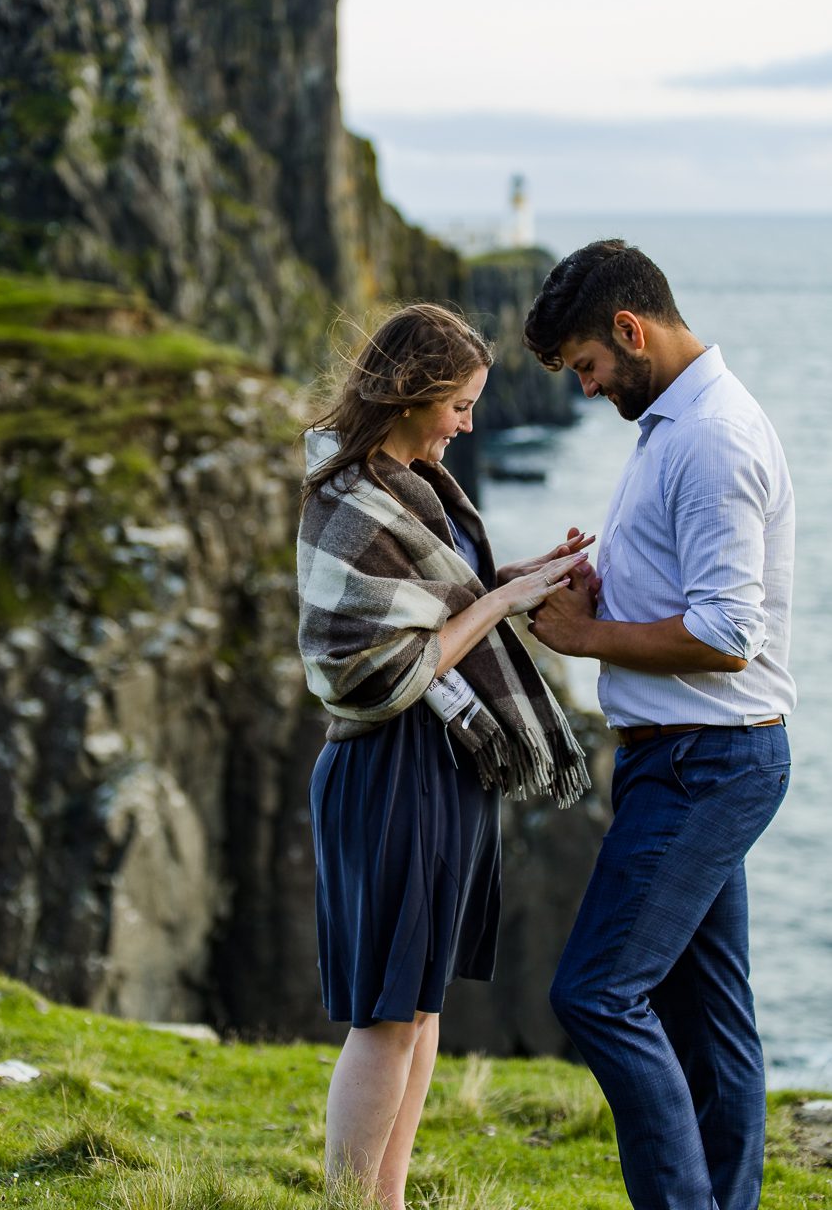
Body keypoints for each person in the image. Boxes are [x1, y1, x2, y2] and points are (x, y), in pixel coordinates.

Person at [297, 302, 591, 1208]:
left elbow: (434, 603)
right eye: (459, 405)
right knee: (387, 1015)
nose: (468, 423)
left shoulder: (415, 484)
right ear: (412, 394)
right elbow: (379, 666)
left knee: (419, 1006)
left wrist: (516, 578)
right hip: (389, 768)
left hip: (443, 765)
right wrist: (500, 608)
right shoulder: (348, 497)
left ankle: (385, 1200)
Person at [522, 239, 796, 1210]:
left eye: (589, 367)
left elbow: (726, 634)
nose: (589, 389)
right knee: (708, 1019)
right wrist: (603, 588)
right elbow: (691, 594)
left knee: (594, 990)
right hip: (688, 760)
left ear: (630, 329)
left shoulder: (711, 437)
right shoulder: (674, 426)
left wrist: (589, 632)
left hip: (704, 764)